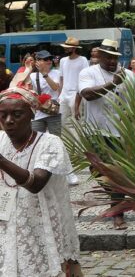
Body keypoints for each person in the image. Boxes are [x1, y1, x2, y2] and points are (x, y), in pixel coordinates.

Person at [0, 87, 81, 276]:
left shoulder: (50, 143)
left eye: (17, 114)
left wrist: (2, 161)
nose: (9, 121)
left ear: (31, 114)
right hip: (8, 221)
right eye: (3, 116)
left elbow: (36, 184)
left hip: (41, 223)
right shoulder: (1, 140)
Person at [78, 38, 135, 230]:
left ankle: (117, 212)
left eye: (115, 57)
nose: (112, 61)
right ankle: (116, 199)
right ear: (99, 56)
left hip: (121, 133)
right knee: (97, 171)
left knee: (116, 173)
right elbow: (87, 94)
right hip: (96, 131)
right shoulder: (88, 72)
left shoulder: (129, 75)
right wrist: (112, 84)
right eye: (108, 57)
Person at [58, 38, 89, 138]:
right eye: (65, 47)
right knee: (61, 121)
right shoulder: (63, 61)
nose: (66, 49)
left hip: (76, 94)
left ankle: (79, 147)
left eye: (68, 47)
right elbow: (61, 78)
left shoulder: (83, 60)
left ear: (74, 48)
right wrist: (60, 95)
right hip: (64, 94)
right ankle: (68, 144)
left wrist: (80, 95)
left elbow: (85, 78)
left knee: (77, 122)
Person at [28, 51, 62, 137]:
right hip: (38, 112)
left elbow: (55, 87)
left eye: (50, 58)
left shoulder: (56, 73)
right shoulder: (32, 75)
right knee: (35, 139)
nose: (49, 61)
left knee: (56, 139)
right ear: (38, 61)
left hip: (53, 111)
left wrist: (44, 73)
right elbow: (31, 93)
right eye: (45, 59)